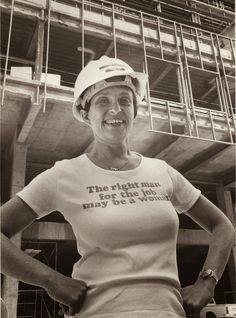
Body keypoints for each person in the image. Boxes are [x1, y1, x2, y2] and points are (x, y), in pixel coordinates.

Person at [1, 56, 235, 318]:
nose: (116, 109)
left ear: (135, 109)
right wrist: (51, 279)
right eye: (103, 101)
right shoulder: (64, 174)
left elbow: (223, 226)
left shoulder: (162, 172)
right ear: (85, 112)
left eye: (125, 100)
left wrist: (207, 280)